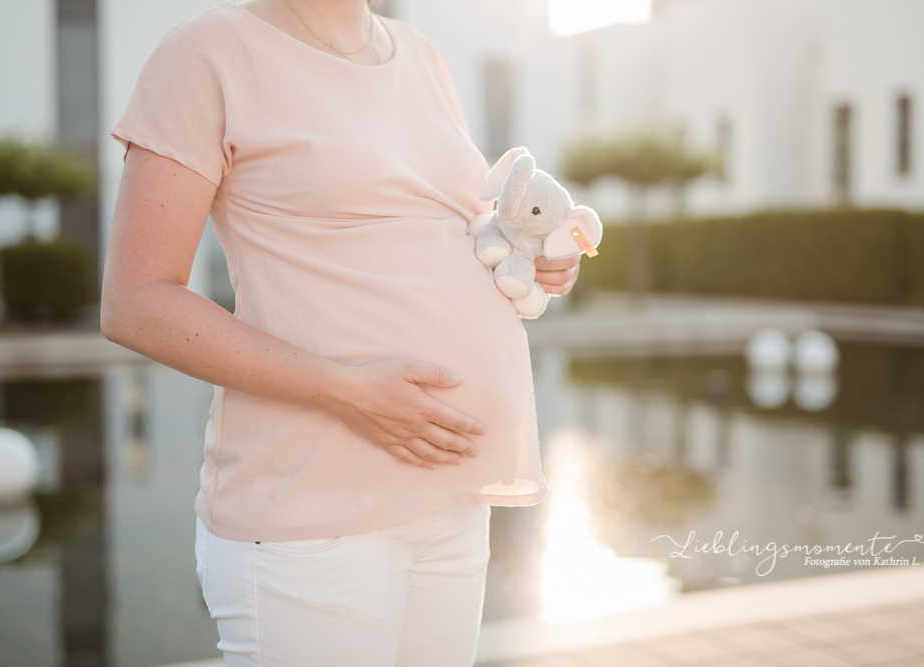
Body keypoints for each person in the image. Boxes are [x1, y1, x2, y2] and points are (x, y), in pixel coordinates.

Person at [100, 1, 582, 665]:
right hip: (311, 509)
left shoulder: (420, 55)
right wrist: (344, 388)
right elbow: (135, 301)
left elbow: (446, 227)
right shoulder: (206, 53)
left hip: (450, 495)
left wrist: (537, 253)